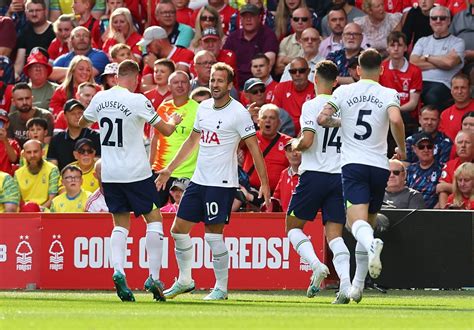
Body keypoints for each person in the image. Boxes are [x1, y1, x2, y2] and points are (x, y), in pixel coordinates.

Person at [156, 62, 271, 301]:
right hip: (198, 181)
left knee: (212, 236)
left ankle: (221, 288)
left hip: (221, 183)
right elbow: (191, 141)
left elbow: (254, 149)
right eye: (212, 80)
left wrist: (264, 183)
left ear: (229, 85)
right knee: (178, 230)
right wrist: (168, 169)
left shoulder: (238, 112)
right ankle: (185, 280)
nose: (215, 85)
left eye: (220, 80)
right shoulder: (204, 107)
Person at [79, 60, 182, 302]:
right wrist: (175, 121)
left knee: (120, 225)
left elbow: (83, 122)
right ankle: (154, 277)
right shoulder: (138, 100)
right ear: (134, 78)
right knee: (154, 220)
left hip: (111, 173)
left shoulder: (100, 98)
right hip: (136, 172)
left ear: (115, 77)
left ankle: (118, 271)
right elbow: (165, 130)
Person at [318, 48, 406, 303]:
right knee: (366, 222)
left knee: (354, 223)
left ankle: (372, 245)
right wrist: (399, 147)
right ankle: (357, 287)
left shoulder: (344, 91)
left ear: (357, 69)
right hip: (380, 166)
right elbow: (396, 120)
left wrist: (340, 122)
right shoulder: (388, 93)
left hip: (354, 165)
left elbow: (323, 118)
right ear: (381, 69)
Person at [289, 60, 351, 304]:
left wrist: (293, 144)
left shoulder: (311, 106)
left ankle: (316, 265)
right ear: (336, 82)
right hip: (340, 177)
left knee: (292, 227)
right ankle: (345, 286)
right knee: (335, 235)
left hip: (314, 174)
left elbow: (307, 142)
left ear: (315, 78)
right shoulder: (344, 107)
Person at [150, 70, 199, 206]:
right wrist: (150, 166)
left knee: (183, 215)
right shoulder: (163, 108)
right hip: (160, 170)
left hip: (186, 172)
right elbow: (155, 138)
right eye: (175, 82)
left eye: (184, 82)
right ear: (169, 86)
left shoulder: (198, 109)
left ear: (190, 86)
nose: (180, 85)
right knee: (154, 212)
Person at [410, 5, 465, 111]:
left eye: (442, 18)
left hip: (442, 84)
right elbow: (413, 63)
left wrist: (426, 57)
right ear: (430, 21)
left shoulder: (458, 42)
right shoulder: (422, 41)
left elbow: (449, 64)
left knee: (432, 96)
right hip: (418, 82)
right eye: (434, 18)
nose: (438, 21)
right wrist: (442, 60)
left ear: (449, 21)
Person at [223, 4, 279, 89]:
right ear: (241, 19)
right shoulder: (233, 37)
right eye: (245, 17)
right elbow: (225, 61)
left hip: (260, 84)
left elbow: (268, 63)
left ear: (259, 18)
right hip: (236, 84)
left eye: (252, 16)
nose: (248, 20)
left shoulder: (268, 35)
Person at [241, 103, 291, 192]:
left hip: (275, 196)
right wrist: (245, 119)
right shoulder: (250, 137)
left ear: (279, 122)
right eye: (264, 117)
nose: (267, 120)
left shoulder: (288, 142)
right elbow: (233, 142)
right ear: (259, 122)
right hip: (249, 192)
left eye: (272, 118)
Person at [47, 99, 101, 171]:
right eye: (73, 113)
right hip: (64, 180)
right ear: (65, 116)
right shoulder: (56, 139)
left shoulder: (96, 137)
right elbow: (53, 168)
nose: (77, 116)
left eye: (80, 113)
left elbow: (98, 164)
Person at [272, 57, 315, 135]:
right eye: (293, 71)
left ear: (308, 72)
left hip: (306, 136)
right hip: (283, 135)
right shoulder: (280, 88)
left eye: (301, 71)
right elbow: (274, 115)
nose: (297, 74)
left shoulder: (315, 90)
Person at [14, 139, 60, 210]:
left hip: (45, 213)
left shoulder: (52, 170)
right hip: (25, 212)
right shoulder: (18, 174)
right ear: (23, 155)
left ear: (43, 152)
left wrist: (38, 211)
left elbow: (53, 199)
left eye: (35, 151)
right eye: (29, 152)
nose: (32, 155)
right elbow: (16, 200)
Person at [7, 82, 54, 147]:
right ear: (13, 102)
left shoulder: (45, 116)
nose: (24, 102)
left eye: (27, 98)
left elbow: (45, 147)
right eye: (20, 99)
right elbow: (9, 146)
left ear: (32, 99)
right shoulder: (11, 119)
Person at [437, 130, 474, 207]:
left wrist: (448, 186)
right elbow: (441, 189)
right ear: (455, 146)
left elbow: (443, 186)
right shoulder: (450, 165)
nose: (463, 145)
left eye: (467, 142)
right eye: (460, 142)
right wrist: (446, 213)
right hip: (454, 205)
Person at [406, 132, 443, 208]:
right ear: (414, 149)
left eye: (429, 146)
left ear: (434, 148)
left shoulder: (442, 168)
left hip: (434, 213)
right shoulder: (410, 169)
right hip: (411, 212)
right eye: (421, 147)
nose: (426, 150)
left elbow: (445, 194)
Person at [438, 73, 474, 142]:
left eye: (463, 88)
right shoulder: (445, 114)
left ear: (470, 89)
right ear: (451, 90)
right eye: (456, 88)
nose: (459, 92)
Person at [272, 140, 301, 212]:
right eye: (290, 150)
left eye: (298, 150)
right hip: (286, 219)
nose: (294, 154)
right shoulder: (284, 173)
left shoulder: (311, 174)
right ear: (286, 154)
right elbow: (276, 198)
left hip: (308, 220)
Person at [0, 109, 20, 176]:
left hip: (6, 182)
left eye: (1, 123)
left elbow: (14, 159)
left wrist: (4, 140)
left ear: (7, 124)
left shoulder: (12, 143)